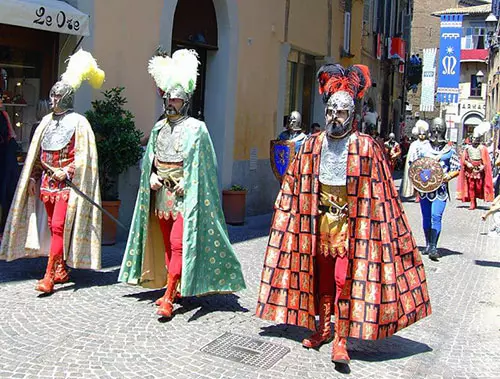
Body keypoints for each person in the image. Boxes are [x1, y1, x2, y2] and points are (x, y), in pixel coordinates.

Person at [256, 63, 431, 366]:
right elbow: (294, 183)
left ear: (352, 115)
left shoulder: (366, 147)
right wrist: (285, 214)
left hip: (352, 227)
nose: (334, 117)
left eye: (341, 113)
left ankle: (341, 338)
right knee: (321, 279)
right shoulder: (312, 145)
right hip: (318, 223)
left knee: (342, 281)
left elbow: (380, 192)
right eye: (331, 112)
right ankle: (323, 328)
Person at [118, 49, 246, 319]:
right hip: (160, 196)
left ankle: (168, 296)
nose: (171, 103)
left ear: (185, 101)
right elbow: (149, 160)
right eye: (169, 98)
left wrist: (188, 182)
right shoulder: (158, 128)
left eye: (176, 99)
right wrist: (150, 176)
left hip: (185, 198)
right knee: (167, 244)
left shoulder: (197, 129)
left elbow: (206, 167)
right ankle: (172, 287)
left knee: (178, 244)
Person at [0, 49, 105, 293]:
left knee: (58, 226)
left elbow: (83, 157)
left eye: (59, 97)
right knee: (50, 225)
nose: (55, 101)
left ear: (67, 97)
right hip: (47, 184)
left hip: (67, 185)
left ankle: (48, 275)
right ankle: (59, 268)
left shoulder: (80, 123)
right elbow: (38, 155)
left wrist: (68, 171)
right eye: (53, 97)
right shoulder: (45, 122)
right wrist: (35, 176)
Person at [409, 118, 460, 261]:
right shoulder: (423, 148)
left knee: (436, 216)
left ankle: (433, 246)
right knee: (426, 217)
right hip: (425, 189)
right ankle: (427, 244)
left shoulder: (449, 151)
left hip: (440, 189)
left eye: (440, 129)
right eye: (435, 129)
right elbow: (415, 166)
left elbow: (457, 168)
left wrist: (447, 176)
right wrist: (417, 180)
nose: (437, 132)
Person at [457, 123, 494, 210]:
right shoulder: (467, 148)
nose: (474, 140)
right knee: (471, 186)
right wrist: (467, 163)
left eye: (476, 139)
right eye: (473, 138)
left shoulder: (482, 148)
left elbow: (486, 160)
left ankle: (476, 199)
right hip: (470, 169)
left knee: (478, 186)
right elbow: (463, 159)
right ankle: (472, 202)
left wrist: (482, 166)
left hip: (479, 169)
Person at [0, 96, 20, 240]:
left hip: (4, 160)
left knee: (4, 192)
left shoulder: (4, 115)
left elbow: (11, 135)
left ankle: (3, 229)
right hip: (4, 158)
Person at [400, 121, 432, 199]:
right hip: (415, 165)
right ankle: (415, 194)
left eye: (423, 134)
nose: (422, 136)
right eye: (420, 134)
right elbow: (411, 155)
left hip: (425, 165)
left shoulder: (428, 144)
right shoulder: (414, 144)